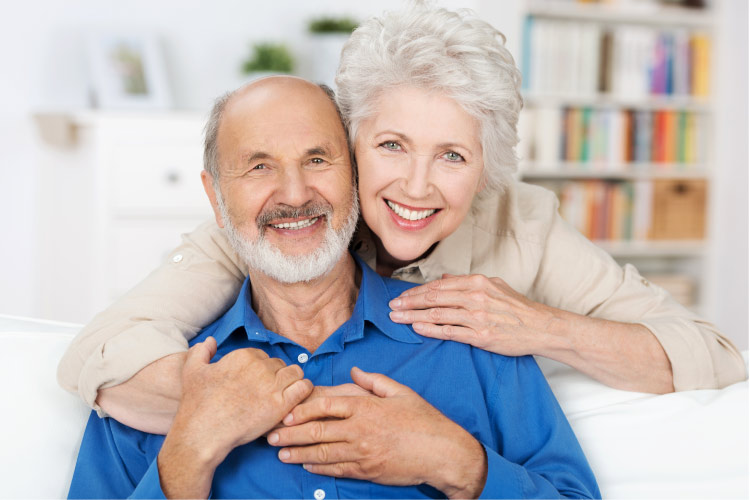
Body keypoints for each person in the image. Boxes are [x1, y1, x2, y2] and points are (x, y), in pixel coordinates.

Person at [59, 4, 745, 434]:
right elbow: (103, 348)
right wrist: (237, 397)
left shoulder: (521, 221)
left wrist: (542, 327)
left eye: (453, 154)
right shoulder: (293, 221)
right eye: (391, 146)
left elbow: (712, 356)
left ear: (487, 165)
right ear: (350, 142)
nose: (417, 186)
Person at [68, 76, 600, 499]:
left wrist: (457, 462)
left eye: (317, 159)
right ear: (215, 198)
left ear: (355, 173)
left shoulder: (473, 338)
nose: (295, 193)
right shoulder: (150, 387)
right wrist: (187, 454)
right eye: (259, 167)